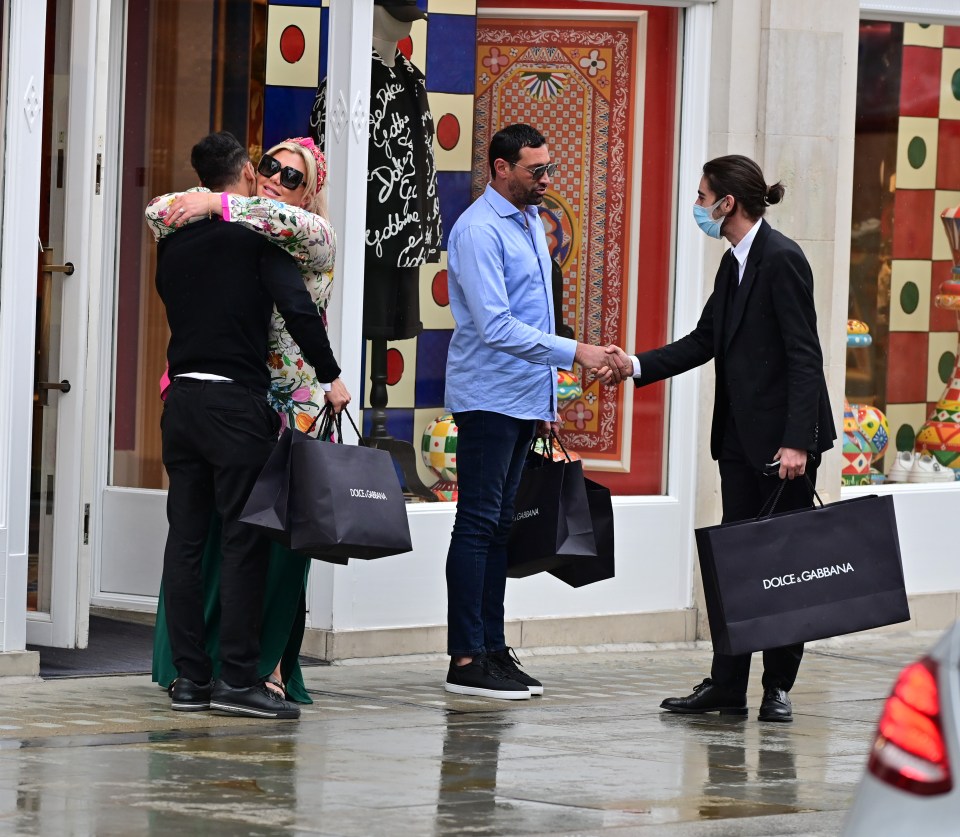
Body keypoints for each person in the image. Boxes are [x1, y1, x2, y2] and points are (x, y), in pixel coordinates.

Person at [600, 154, 837, 722]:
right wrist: (633, 364)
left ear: (728, 203)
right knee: (737, 565)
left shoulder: (782, 260)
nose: (698, 206)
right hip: (738, 443)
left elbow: (806, 357)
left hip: (785, 449)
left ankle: (777, 687)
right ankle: (727, 685)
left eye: (703, 196)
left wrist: (797, 442)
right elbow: (703, 340)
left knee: (785, 567)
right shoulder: (732, 264)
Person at [156, 131, 347, 719]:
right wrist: (335, 373)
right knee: (236, 546)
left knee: (202, 543)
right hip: (239, 407)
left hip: (216, 408)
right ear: (246, 172)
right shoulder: (246, 239)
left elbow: (168, 214)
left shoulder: (297, 235)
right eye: (269, 168)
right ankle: (233, 679)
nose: (276, 179)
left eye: (293, 176)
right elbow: (294, 310)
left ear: (311, 191)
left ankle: (208, 677)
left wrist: (215, 202)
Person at [443, 123, 616, 700]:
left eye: (549, 169)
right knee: (478, 523)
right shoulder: (477, 231)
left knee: (498, 527)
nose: (545, 179)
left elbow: (534, 318)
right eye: (534, 170)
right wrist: (576, 353)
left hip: (521, 399)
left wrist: (546, 400)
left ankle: (492, 648)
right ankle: (466, 656)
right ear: (499, 168)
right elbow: (494, 325)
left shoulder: (529, 224)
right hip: (488, 398)